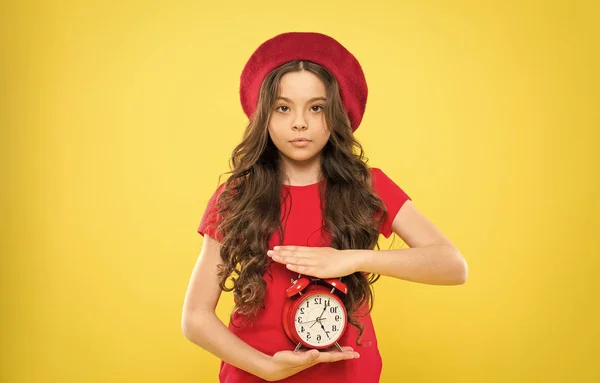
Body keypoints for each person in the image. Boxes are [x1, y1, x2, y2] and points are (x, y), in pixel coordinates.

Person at [181, 32, 468, 383]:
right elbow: (195, 317)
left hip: (347, 373)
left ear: (336, 115)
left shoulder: (368, 186)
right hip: (254, 373)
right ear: (264, 116)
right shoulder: (236, 195)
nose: (299, 122)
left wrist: (354, 258)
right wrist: (265, 368)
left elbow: (452, 266)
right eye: (283, 108)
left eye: (316, 108)